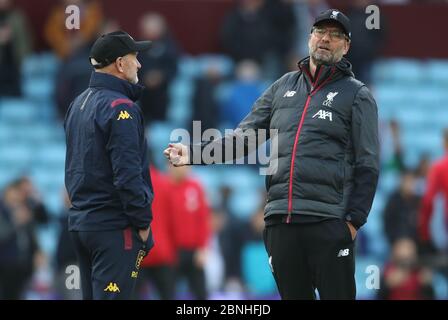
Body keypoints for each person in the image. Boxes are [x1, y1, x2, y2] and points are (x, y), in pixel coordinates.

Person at [165, 9, 379, 300]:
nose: (325, 39)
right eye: (320, 32)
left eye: (335, 34)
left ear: (346, 46)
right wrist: (193, 153)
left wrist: (353, 222)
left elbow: (368, 163)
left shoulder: (357, 94)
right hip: (281, 223)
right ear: (309, 37)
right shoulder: (281, 87)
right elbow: (243, 140)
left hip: (328, 221)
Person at [64, 31, 154, 300]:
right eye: (134, 57)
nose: (138, 64)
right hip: (113, 226)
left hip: (82, 224)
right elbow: (127, 175)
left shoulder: (77, 103)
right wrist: (143, 222)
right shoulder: (120, 107)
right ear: (119, 63)